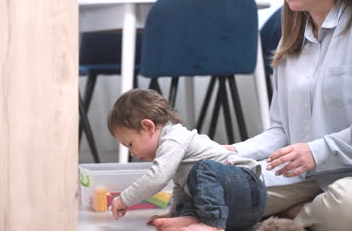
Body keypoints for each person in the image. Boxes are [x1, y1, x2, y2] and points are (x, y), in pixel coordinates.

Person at [223, 0, 352, 230]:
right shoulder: (291, 40)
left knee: (346, 205)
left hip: (346, 177)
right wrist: (234, 152)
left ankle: (288, 218)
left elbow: (312, 151)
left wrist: (317, 151)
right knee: (219, 192)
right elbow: (282, 130)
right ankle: (300, 216)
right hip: (304, 177)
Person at [107, 89, 267, 231]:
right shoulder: (173, 154)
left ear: (148, 127)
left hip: (248, 188)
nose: (132, 153)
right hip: (234, 212)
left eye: (130, 144)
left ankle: (213, 225)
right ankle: (190, 218)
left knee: (203, 169)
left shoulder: (173, 139)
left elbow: (157, 178)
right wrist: (174, 212)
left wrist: (125, 198)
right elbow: (180, 187)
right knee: (190, 187)